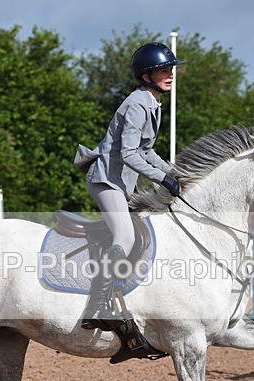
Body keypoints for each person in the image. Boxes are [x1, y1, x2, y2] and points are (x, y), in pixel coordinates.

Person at [73, 41, 184, 336]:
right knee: (125, 234)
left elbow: (147, 151)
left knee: (136, 234)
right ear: (147, 76)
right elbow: (129, 155)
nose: (170, 74)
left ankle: (121, 293)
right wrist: (163, 180)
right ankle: (96, 306)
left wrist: (175, 173)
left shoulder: (151, 102)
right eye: (163, 70)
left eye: (171, 69)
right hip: (106, 180)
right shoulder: (137, 104)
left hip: (121, 182)